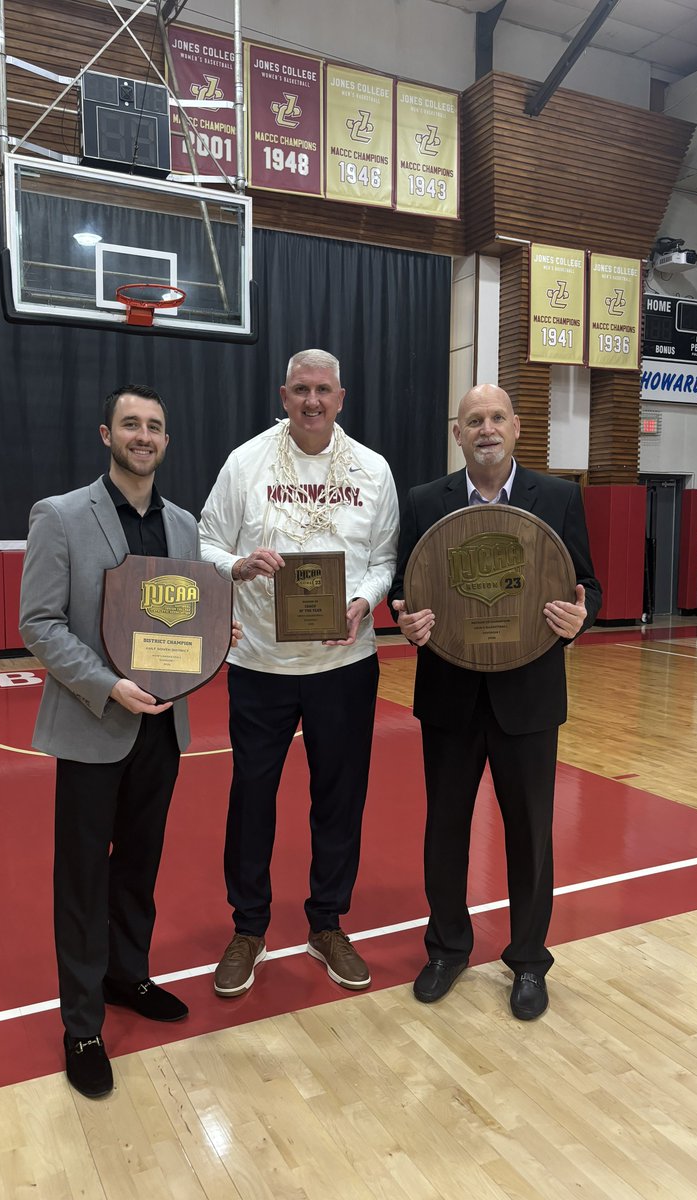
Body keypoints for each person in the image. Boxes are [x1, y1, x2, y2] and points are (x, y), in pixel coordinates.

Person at [20, 384, 235, 1100]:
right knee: (82, 879)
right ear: (106, 435)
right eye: (131, 425)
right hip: (93, 723)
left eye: (156, 427)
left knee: (139, 865)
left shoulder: (183, 524)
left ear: (166, 443)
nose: (144, 435)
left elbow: (181, 620)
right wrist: (107, 686)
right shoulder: (59, 517)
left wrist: (214, 639)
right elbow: (41, 625)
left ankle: (126, 974)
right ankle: (81, 1024)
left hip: (161, 727)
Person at [389, 383, 601, 1019]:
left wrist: (578, 618)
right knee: (446, 829)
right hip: (450, 695)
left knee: (532, 833)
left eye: (496, 418)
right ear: (458, 434)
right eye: (473, 419)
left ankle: (530, 960)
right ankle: (448, 947)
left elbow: (586, 582)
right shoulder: (427, 500)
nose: (486, 428)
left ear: (515, 429)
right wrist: (405, 618)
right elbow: (406, 585)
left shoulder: (559, 497)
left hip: (528, 697)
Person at [198, 349, 399, 997]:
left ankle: (327, 924)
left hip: (345, 662)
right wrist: (236, 566)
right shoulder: (245, 462)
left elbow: (384, 557)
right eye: (301, 390)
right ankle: (249, 928)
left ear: (343, 397)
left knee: (338, 799)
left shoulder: (372, 469)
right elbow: (204, 539)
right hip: (259, 662)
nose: (313, 401)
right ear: (284, 396)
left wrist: (367, 599)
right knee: (252, 797)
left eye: (324, 390)